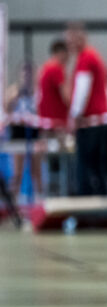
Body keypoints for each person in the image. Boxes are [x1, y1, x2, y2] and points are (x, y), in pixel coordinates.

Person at [66, 22, 107, 196]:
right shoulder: (92, 57)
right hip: (99, 121)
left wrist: (74, 117)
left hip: (90, 123)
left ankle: (87, 202)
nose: (69, 45)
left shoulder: (86, 58)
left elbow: (82, 90)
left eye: (70, 40)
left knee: (87, 167)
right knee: (98, 167)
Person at [36, 39, 70, 195]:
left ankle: (49, 193)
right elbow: (66, 97)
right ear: (61, 53)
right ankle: (62, 193)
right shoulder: (56, 69)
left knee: (49, 163)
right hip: (57, 126)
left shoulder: (44, 68)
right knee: (63, 161)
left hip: (46, 124)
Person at [4, 62, 42, 203]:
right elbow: (6, 110)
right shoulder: (14, 92)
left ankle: (39, 197)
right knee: (17, 171)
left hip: (34, 133)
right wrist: (14, 97)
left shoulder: (38, 92)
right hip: (18, 134)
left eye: (30, 73)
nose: (27, 77)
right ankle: (14, 199)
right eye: (25, 74)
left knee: (36, 170)